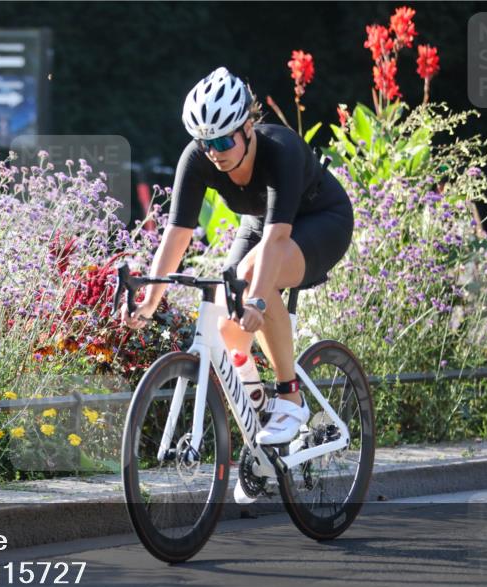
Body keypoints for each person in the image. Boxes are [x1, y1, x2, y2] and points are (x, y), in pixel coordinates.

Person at [121, 66, 354, 501]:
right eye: (207, 143)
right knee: (227, 319)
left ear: (248, 127)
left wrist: (260, 302)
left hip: (320, 220)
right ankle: (260, 421)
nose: (215, 152)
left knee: (249, 286)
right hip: (259, 223)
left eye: (225, 140)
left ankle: (289, 395)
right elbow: (177, 233)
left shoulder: (279, 149)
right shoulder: (198, 157)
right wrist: (150, 299)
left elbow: (277, 239)